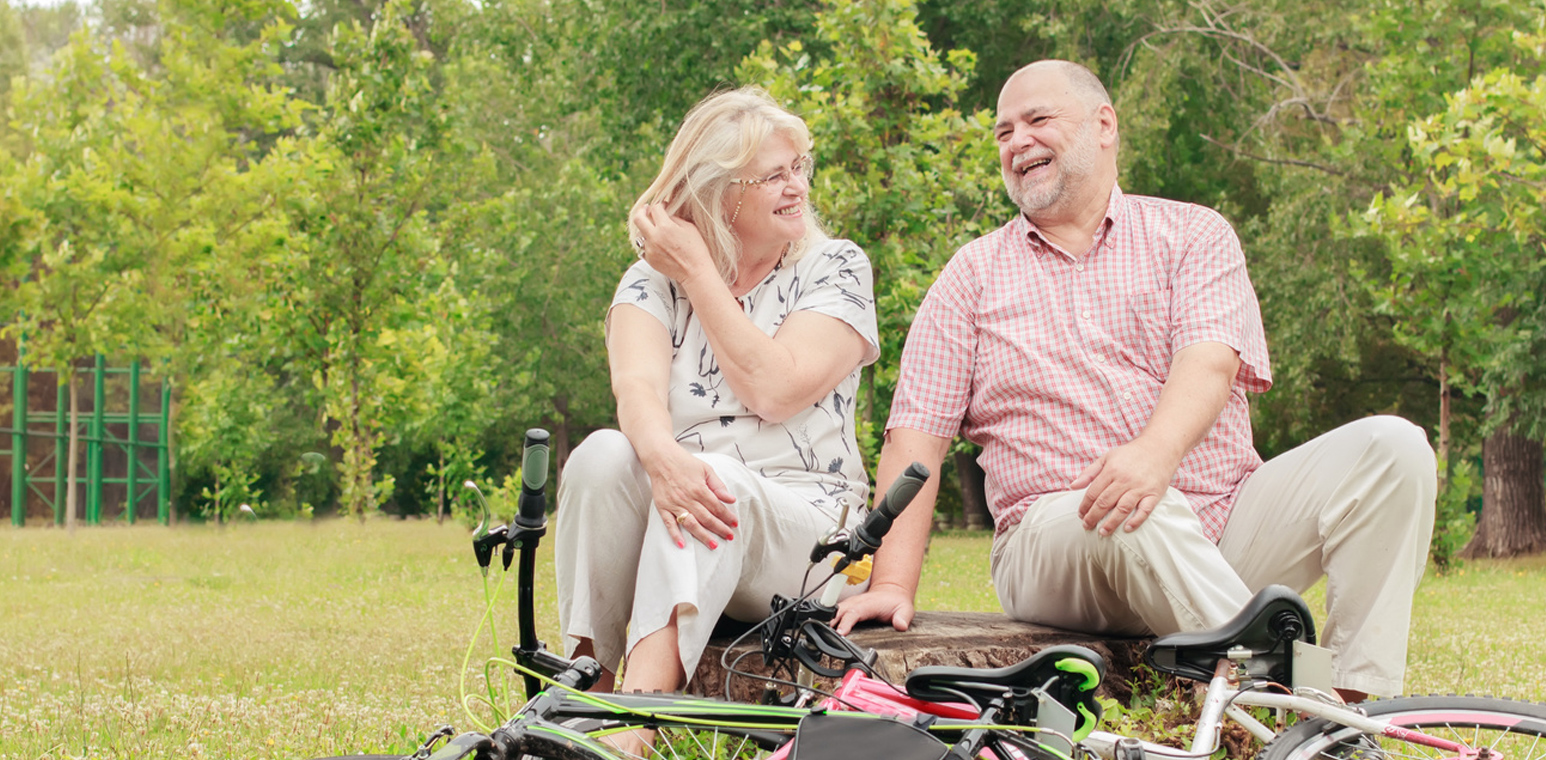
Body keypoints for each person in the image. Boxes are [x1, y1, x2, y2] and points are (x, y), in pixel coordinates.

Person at [832, 60, 1436, 701]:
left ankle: (1349, 700)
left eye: (1038, 120)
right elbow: (915, 438)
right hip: (1062, 547)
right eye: (1003, 132)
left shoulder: (1193, 234)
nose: (1017, 142)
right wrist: (892, 585)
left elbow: (1210, 361)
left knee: (1392, 449)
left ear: (1104, 125)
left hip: (1221, 523)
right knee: (1128, 506)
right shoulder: (971, 276)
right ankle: (1309, 712)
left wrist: (1154, 455)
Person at [556, 87, 880, 705]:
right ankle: (580, 697)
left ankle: (641, 722)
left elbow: (775, 389)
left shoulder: (835, 268)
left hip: (807, 538)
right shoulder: (651, 281)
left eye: (799, 168)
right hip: (690, 511)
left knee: (710, 478)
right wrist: (662, 461)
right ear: (720, 194)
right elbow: (637, 389)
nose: (798, 188)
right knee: (600, 455)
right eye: (773, 176)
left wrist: (700, 272)